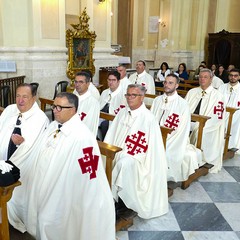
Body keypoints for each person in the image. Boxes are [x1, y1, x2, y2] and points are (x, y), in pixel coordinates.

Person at [24, 92, 115, 240]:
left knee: (49, 221)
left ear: (72, 110)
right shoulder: (54, 125)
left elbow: (88, 174)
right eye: (54, 106)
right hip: (44, 183)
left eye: (60, 107)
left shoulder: (82, 136)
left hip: (62, 190)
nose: (54, 110)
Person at [104, 84, 168, 219]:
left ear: (142, 97)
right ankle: (104, 197)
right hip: (117, 151)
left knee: (123, 164)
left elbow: (151, 150)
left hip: (139, 159)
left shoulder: (148, 118)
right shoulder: (122, 112)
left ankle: (117, 202)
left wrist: (124, 154)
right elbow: (111, 134)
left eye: (134, 95)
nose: (129, 98)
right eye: (128, 95)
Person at [2, 83, 49, 230]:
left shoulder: (40, 118)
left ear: (33, 98)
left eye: (25, 97)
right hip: (4, 157)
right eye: (17, 96)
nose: (20, 100)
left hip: (25, 163)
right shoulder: (10, 110)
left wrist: (20, 144)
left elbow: (33, 147)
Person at [151, 74, 202, 182]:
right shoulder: (157, 100)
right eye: (165, 82)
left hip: (173, 140)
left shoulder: (182, 104)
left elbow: (182, 130)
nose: (166, 85)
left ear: (177, 85)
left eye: (170, 83)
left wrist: (164, 142)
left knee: (167, 154)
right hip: (154, 136)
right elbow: (150, 120)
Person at [185, 68, 225, 173]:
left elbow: (218, 117)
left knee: (199, 131)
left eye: (205, 77)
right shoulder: (192, 92)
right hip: (189, 122)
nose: (202, 79)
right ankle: (184, 159)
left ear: (211, 79)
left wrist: (200, 125)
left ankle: (197, 160)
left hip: (207, 125)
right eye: (201, 77)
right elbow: (183, 109)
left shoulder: (218, 96)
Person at [99, 70, 126, 140]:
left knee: (104, 125)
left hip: (114, 120)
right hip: (102, 116)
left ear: (118, 81)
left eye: (113, 80)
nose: (111, 82)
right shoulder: (105, 92)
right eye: (109, 80)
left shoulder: (124, 94)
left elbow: (122, 111)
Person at [218, 68, 240, 151]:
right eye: (231, 75)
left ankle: (231, 146)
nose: (233, 77)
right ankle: (219, 146)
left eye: (235, 76)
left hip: (236, 117)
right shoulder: (222, 87)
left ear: (239, 77)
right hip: (221, 114)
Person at [73, 71, 100, 136]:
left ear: (88, 84)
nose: (77, 84)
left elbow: (89, 126)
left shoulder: (93, 103)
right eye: (76, 82)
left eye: (81, 82)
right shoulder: (73, 97)